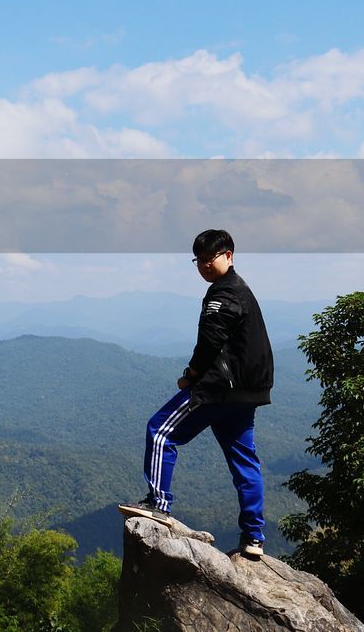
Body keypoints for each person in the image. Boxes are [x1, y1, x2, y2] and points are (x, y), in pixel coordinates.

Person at [117, 229, 274, 557]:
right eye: (198, 260)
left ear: (228, 255)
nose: (204, 265)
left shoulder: (224, 294)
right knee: (244, 460)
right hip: (247, 392)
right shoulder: (240, 290)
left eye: (210, 258)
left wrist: (191, 376)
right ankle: (254, 538)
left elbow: (210, 343)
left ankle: (159, 505)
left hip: (219, 389)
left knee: (160, 431)